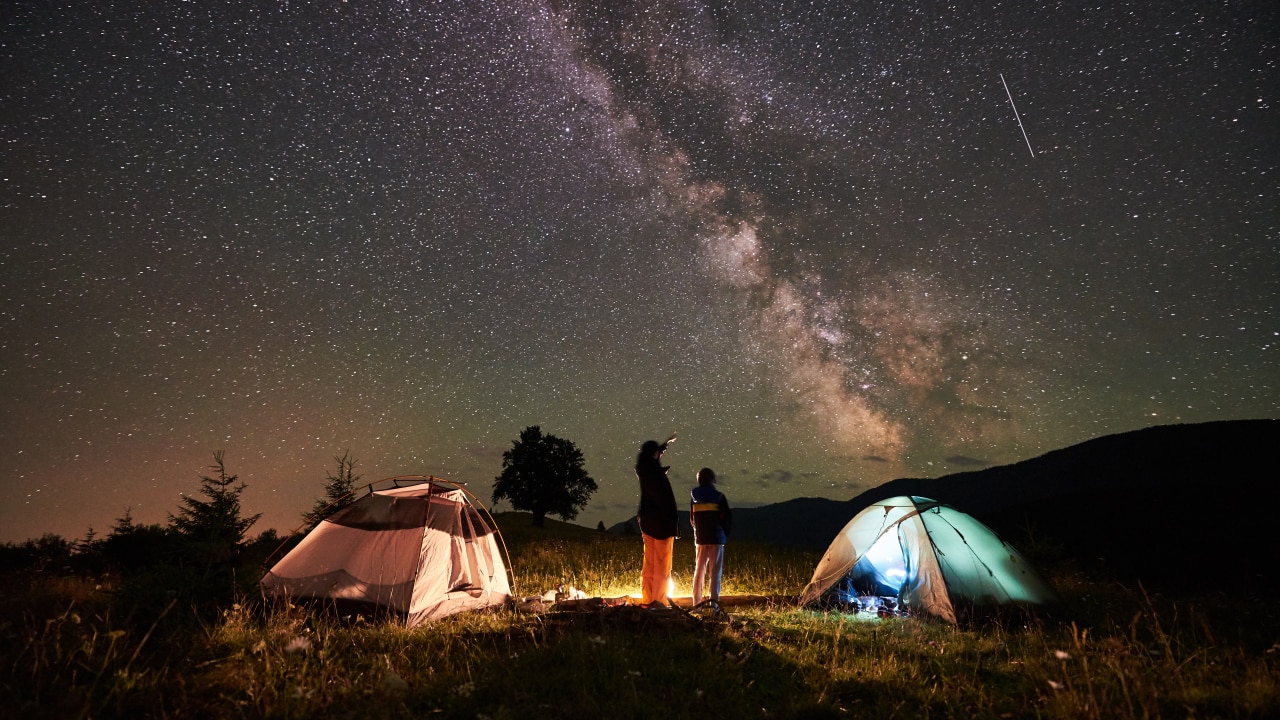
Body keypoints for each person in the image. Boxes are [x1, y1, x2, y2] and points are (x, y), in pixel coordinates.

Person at [635, 436, 678, 606]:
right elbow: (663, 500)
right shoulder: (655, 474)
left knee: (649, 565)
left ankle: (647, 599)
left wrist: (665, 445)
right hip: (662, 525)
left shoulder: (643, 470)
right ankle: (658, 602)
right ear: (653, 454)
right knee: (662, 567)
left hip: (647, 523)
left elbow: (653, 456)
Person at [690, 467, 731, 610]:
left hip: (700, 539)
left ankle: (696, 606)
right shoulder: (719, 496)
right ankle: (714, 607)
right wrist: (726, 532)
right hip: (716, 538)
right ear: (712, 479)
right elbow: (725, 518)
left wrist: (697, 531)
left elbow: (692, 519)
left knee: (699, 571)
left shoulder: (694, 496)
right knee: (715, 573)